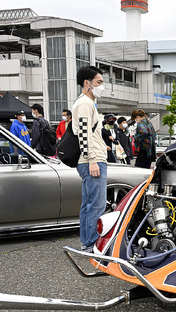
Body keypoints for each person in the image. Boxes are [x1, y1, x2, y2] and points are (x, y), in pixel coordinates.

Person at [72, 65, 107, 252]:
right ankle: (92, 244)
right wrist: (92, 158)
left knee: (88, 204)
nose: (102, 86)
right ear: (87, 83)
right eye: (98, 82)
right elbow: (84, 134)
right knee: (96, 204)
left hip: (88, 159)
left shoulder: (85, 102)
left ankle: (87, 243)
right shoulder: (85, 103)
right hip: (91, 160)